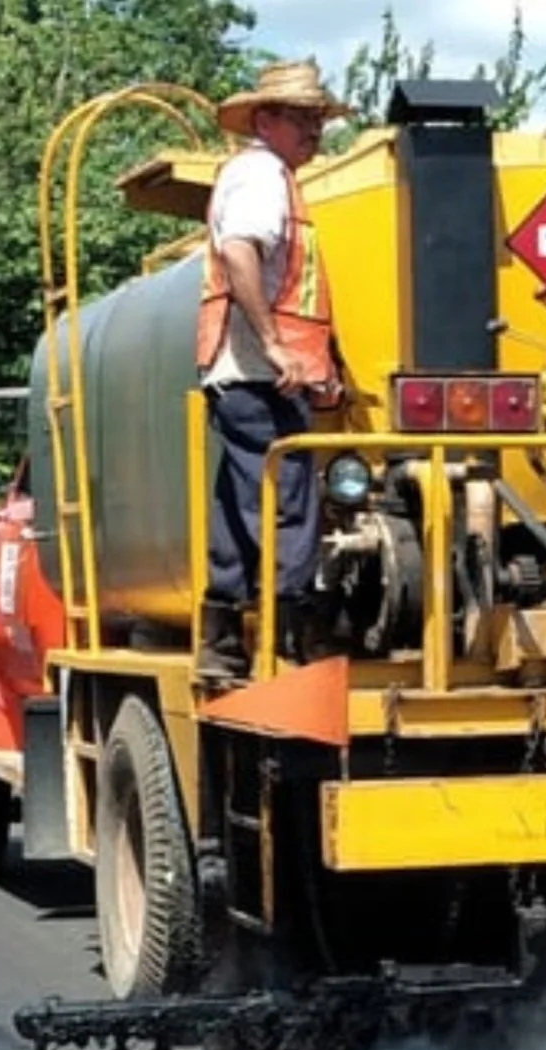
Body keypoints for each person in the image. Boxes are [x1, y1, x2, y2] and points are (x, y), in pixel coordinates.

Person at [194, 57, 353, 680]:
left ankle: (222, 638)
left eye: (319, 119)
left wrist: (322, 364)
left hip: (251, 373)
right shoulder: (261, 176)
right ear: (266, 120)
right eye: (303, 118)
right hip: (258, 374)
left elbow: (298, 290)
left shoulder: (273, 178)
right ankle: (294, 636)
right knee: (288, 501)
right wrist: (275, 345)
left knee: (239, 501)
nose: (315, 131)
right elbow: (240, 253)